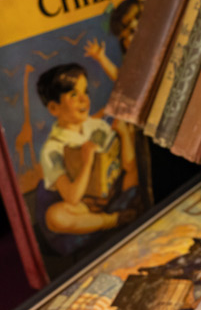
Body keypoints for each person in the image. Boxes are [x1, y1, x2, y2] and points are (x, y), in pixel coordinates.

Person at [36, 63, 137, 238]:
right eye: (74, 95)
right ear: (54, 108)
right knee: (55, 217)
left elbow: (130, 166)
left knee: (136, 167)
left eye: (86, 92)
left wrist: (124, 134)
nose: (84, 99)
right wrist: (87, 162)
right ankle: (112, 220)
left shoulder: (96, 126)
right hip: (87, 205)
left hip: (117, 189)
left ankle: (126, 209)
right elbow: (72, 198)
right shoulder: (53, 149)